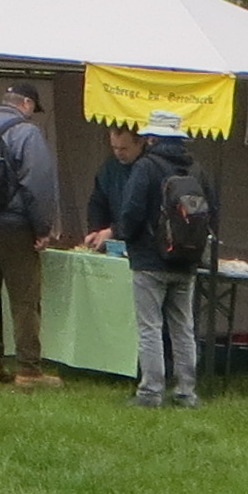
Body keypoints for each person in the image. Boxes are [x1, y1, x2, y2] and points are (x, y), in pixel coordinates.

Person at [100, 108, 221, 406]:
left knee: (150, 327)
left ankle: (151, 391)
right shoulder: (197, 170)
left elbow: (131, 212)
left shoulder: (146, 167)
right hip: (187, 259)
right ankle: (186, 391)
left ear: (151, 138)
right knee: (183, 328)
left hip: (149, 260)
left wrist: (123, 236)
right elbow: (212, 213)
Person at [0, 80, 63, 389]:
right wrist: (42, 228)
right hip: (14, 225)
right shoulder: (27, 134)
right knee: (24, 298)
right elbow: (37, 184)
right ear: (27, 104)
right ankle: (28, 370)